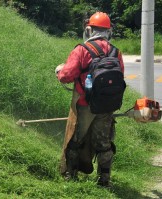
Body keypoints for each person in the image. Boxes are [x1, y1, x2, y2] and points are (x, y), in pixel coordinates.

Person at [55, 12, 125, 187]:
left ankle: (70, 176)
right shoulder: (116, 52)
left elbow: (66, 76)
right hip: (107, 105)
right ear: (109, 31)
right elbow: (120, 75)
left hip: (85, 104)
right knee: (104, 143)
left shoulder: (81, 50)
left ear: (89, 30)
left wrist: (59, 71)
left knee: (75, 139)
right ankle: (104, 180)